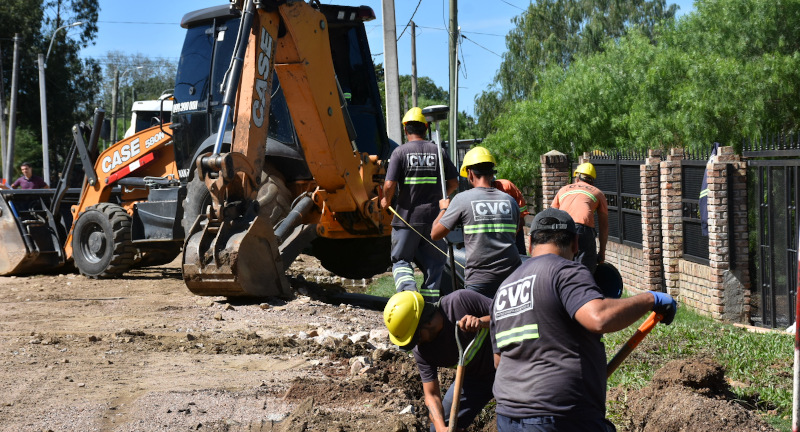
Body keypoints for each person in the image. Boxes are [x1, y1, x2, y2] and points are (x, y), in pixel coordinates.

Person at [490, 208, 677, 432]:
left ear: (530, 243)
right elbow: (600, 318)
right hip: (560, 416)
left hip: (509, 415)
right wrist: (651, 298)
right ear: (576, 244)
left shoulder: (504, 289)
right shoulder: (565, 271)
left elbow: (499, 361)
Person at [384, 289, 495, 432]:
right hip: (474, 380)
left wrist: (481, 322)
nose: (417, 344)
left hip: (509, 364)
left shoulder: (460, 301)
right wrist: (441, 427)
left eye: (417, 337)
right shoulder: (422, 351)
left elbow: (510, 315)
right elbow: (432, 395)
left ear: (426, 321)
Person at [381, 107, 459, 302]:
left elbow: (389, 184)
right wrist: (440, 197)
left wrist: (386, 200)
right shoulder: (438, 151)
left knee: (401, 260)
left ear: (406, 129)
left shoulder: (400, 152)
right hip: (434, 220)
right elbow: (454, 182)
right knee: (434, 264)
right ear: (425, 128)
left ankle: (409, 297)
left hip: (406, 219)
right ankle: (431, 306)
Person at [431, 146, 521, 298]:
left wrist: (443, 209)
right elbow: (515, 232)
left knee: (475, 320)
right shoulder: (510, 201)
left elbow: (435, 234)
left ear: (470, 173)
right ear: (492, 173)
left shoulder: (462, 199)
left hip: (480, 280)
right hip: (512, 277)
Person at [550, 162, 608, 274]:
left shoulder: (563, 190)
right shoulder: (598, 193)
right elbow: (604, 227)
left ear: (577, 178)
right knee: (584, 270)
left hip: (561, 228)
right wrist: (602, 253)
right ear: (592, 180)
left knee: (562, 267)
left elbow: (551, 214)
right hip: (583, 230)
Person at [493, 178, 529, 255]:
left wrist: (515, 231)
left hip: (515, 232)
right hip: (496, 235)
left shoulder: (506, 186)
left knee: (520, 257)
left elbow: (521, 212)